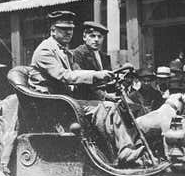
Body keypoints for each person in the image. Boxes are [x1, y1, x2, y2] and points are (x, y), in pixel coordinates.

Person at [29, 10, 143, 165]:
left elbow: (77, 74)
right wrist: (96, 75)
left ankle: (123, 151)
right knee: (107, 108)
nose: (68, 33)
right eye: (63, 29)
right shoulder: (45, 50)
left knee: (112, 105)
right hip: (53, 104)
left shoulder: (64, 50)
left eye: (70, 29)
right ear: (53, 30)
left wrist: (103, 82)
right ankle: (122, 153)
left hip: (66, 101)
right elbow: (65, 76)